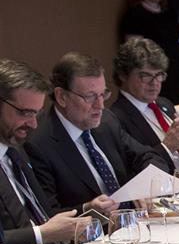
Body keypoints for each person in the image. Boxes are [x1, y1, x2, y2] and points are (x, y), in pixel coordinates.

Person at [25, 53, 170, 215]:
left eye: (102, 94)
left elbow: (149, 156)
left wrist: (143, 185)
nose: (100, 105)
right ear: (62, 97)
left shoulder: (106, 121)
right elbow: (47, 215)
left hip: (135, 224)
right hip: (91, 235)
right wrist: (88, 209)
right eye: (90, 97)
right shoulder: (38, 143)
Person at [0, 60, 87, 244]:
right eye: (24, 113)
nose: (33, 124)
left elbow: (44, 215)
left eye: (36, 114)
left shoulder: (15, 150)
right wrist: (42, 234)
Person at [109, 38, 179, 172]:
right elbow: (132, 171)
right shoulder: (115, 119)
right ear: (123, 75)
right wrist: (167, 147)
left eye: (159, 75)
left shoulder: (164, 104)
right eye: (145, 76)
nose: (155, 82)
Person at [119, 0, 179, 104]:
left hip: (175, 70)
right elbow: (134, 50)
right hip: (152, 73)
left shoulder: (169, 14)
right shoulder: (135, 15)